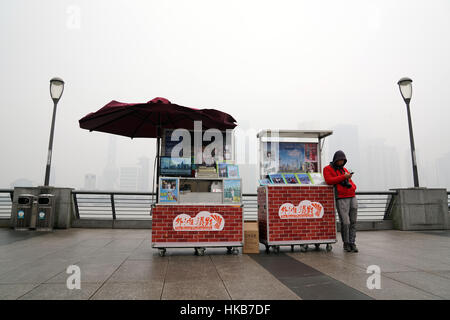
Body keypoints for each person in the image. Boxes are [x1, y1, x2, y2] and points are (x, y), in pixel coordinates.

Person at [323, 150, 358, 253]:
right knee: (345, 222)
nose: (341, 162)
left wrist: (353, 187)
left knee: (353, 221)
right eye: (340, 160)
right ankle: (346, 243)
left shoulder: (344, 169)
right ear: (335, 160)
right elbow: (329, 180)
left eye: (343, 160)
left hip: (352, 196)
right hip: (341, 197)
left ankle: (352, 242)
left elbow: (350, 182)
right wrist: (344, 177)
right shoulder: (327, 169)